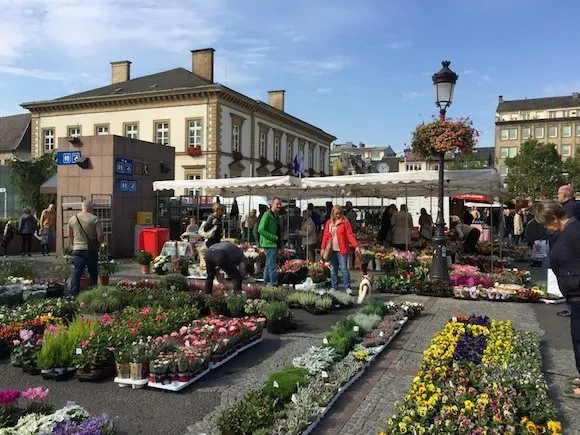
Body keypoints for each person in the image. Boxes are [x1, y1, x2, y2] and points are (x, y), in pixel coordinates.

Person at [533, 200, 580, 399]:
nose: (545, 228)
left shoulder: (574, 231)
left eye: (545, 223)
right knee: (577, 337)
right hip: (575, 294)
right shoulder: (571, 230)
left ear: (553, 218)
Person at [321, 205, 361, 294]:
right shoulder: (329, 223)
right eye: (336, 214)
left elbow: (350, 235)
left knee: (344, 268)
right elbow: (325, 236)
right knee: (333, 269)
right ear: (333, 214)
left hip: (342, 249)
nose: (338, 216)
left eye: (339, 214)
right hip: (332, 249)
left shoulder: (345, 222)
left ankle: (347, 287)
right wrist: (323, 248)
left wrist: (356, 246)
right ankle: (334, 287)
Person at [67, 200, 104, 298]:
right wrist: (98, 245)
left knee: (77, 272)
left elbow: (69, 235)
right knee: (92, 272)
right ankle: (92, 293)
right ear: (90, 208)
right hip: (91, 249)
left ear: (82, 207)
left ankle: (73, 293)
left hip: (77, 248)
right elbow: (100, 235)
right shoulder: (94, 219)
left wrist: (73, 245)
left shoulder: (72, 219)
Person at [557, 184, 580, 317]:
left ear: (565, 194)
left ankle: (571, 308)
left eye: (559, 194)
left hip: (569, 248)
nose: (558, 196)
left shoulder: (569, 208)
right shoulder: (575, 206)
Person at [258, 197, 283, 286]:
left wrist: (280, 244)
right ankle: (273, 284)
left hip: (273, 244)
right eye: (277, 204)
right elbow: (260, 229)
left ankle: (267, 283)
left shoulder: (276, 216)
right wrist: (273, 237)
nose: (279, 206)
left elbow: (279, 231)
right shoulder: (267, 215)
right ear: (271, 205)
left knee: (268, 265)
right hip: (269, 244)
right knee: (272, 266)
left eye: (280, 204)